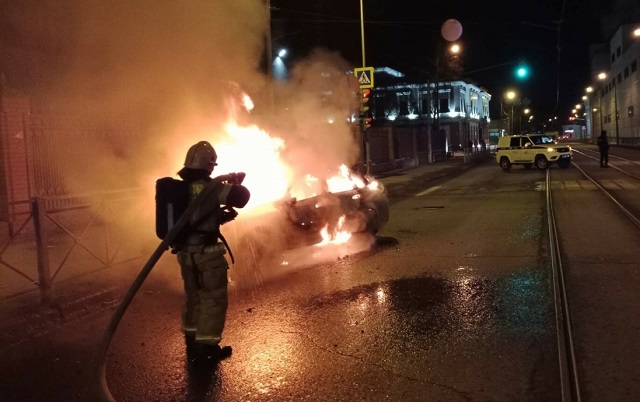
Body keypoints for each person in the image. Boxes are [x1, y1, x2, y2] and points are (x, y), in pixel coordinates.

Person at [174, 141, 250, 361]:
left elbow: (196, 218)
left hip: (185, 253)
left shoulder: (182, 186)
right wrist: (236, 183)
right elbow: (242, 198)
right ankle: (207, 348)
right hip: (207, 254)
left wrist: (219, 217)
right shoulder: (211, 186)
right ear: (209, 164)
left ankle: (191, 336)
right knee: (213, 299)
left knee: (193, 296)